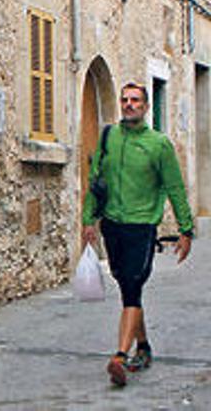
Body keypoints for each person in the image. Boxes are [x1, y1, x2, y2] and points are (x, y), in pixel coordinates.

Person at [81, 81, 194, 387]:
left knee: (132, 284)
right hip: (112, 224)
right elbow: (96, 181)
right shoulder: (108, 137)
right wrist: (88, 219)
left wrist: (186, 229)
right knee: (127, 287)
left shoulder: (159, 145)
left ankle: (120, 356)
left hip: (142, 227)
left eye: (136, 100)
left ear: (146, 107)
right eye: (125, 100)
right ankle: (143, 347)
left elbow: (175, 188)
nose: (129, 104)